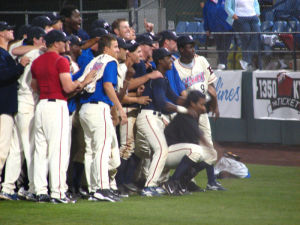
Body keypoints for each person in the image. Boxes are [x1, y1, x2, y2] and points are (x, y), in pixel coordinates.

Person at [30, 30, 95, 203]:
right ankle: (58, 192)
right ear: (56, 43)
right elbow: (68, 87)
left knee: (40, 151)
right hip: (56, 106)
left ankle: (40, 191)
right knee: (58, 151)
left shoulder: (37, 61)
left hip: (41, 105)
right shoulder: (61, 60)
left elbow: (33, 86)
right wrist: (84, 81)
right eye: (64, 41)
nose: (66, 44)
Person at [78, 34, 127, 202]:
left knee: (90, 150)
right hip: (98, 109)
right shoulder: (110, 61)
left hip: (84, 109)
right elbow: (107, 85)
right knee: (102, 149)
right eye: (115, 47)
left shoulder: (93, 61)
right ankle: (102, 188)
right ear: (106, 49)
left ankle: (93, 189)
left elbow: (78, 79)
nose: (117, 50)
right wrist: (120, 109)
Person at [0, 26, 46, 201]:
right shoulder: (34, 54)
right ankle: (33, 188)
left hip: (19, 102)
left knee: (16, 148)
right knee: (29, 147)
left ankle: (8, 187)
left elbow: (15, 49)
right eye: (43, 38)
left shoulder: (14, 50)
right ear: (36, 40)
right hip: (27, 102)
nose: (44, 42)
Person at [174, 35, 225, 191]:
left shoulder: (201, 60)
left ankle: (211, 181)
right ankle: (187, 182)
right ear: (181, 49)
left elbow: (211, 85)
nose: (193, 49)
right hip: (186, 113)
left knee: (208, 146)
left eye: (193, 46)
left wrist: (215, 105)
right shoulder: (174, 66)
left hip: (201, 112)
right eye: (189, 46)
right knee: (191, 148)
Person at [135, 48, 187, 197]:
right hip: (148, 116)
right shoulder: (156, 78)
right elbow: (162, 103)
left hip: (155, 118)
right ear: (159, 61)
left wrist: (193, 101)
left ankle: (151, 184)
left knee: (154, 152)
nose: (171, 60)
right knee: (161, 150)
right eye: (167, 57)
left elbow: (175, 98)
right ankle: (149, 186)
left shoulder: (163, 78)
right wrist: (185, 110)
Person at [163, 90, 216, 195]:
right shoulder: (185, 116)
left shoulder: (194, 115)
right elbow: (199, 136)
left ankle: (182, 183)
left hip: (178, 152)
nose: (204, 107)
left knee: (212, 155)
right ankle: (172, 182)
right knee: (195, 150)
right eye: (202, 104)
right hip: (166, 153)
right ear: (192, 103)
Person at [0, 21, 30, 189]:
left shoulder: (6, 53)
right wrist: (19, 67)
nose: (12, 30)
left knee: (5, 148)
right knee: (2, 149)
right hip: (3, 106)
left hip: (7, 106)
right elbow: (2, 76)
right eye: (7, 29)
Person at [225, 0, 261, 70]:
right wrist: (233, 15)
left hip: (253, 16)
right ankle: (247, 61)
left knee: (257, 35)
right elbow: (227, 7)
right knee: (246, 38)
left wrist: (257, 13)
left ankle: (247, 60)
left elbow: (256, 4)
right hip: (240, 17)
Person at [203, 0, 233, 70]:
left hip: (227, 28)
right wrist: (207, 28)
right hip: (215, 29)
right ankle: (222, 63)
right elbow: (205, 17)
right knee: (219, 47)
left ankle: (223, 63)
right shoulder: (207, 4)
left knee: (225, 46)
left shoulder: (226, 1)